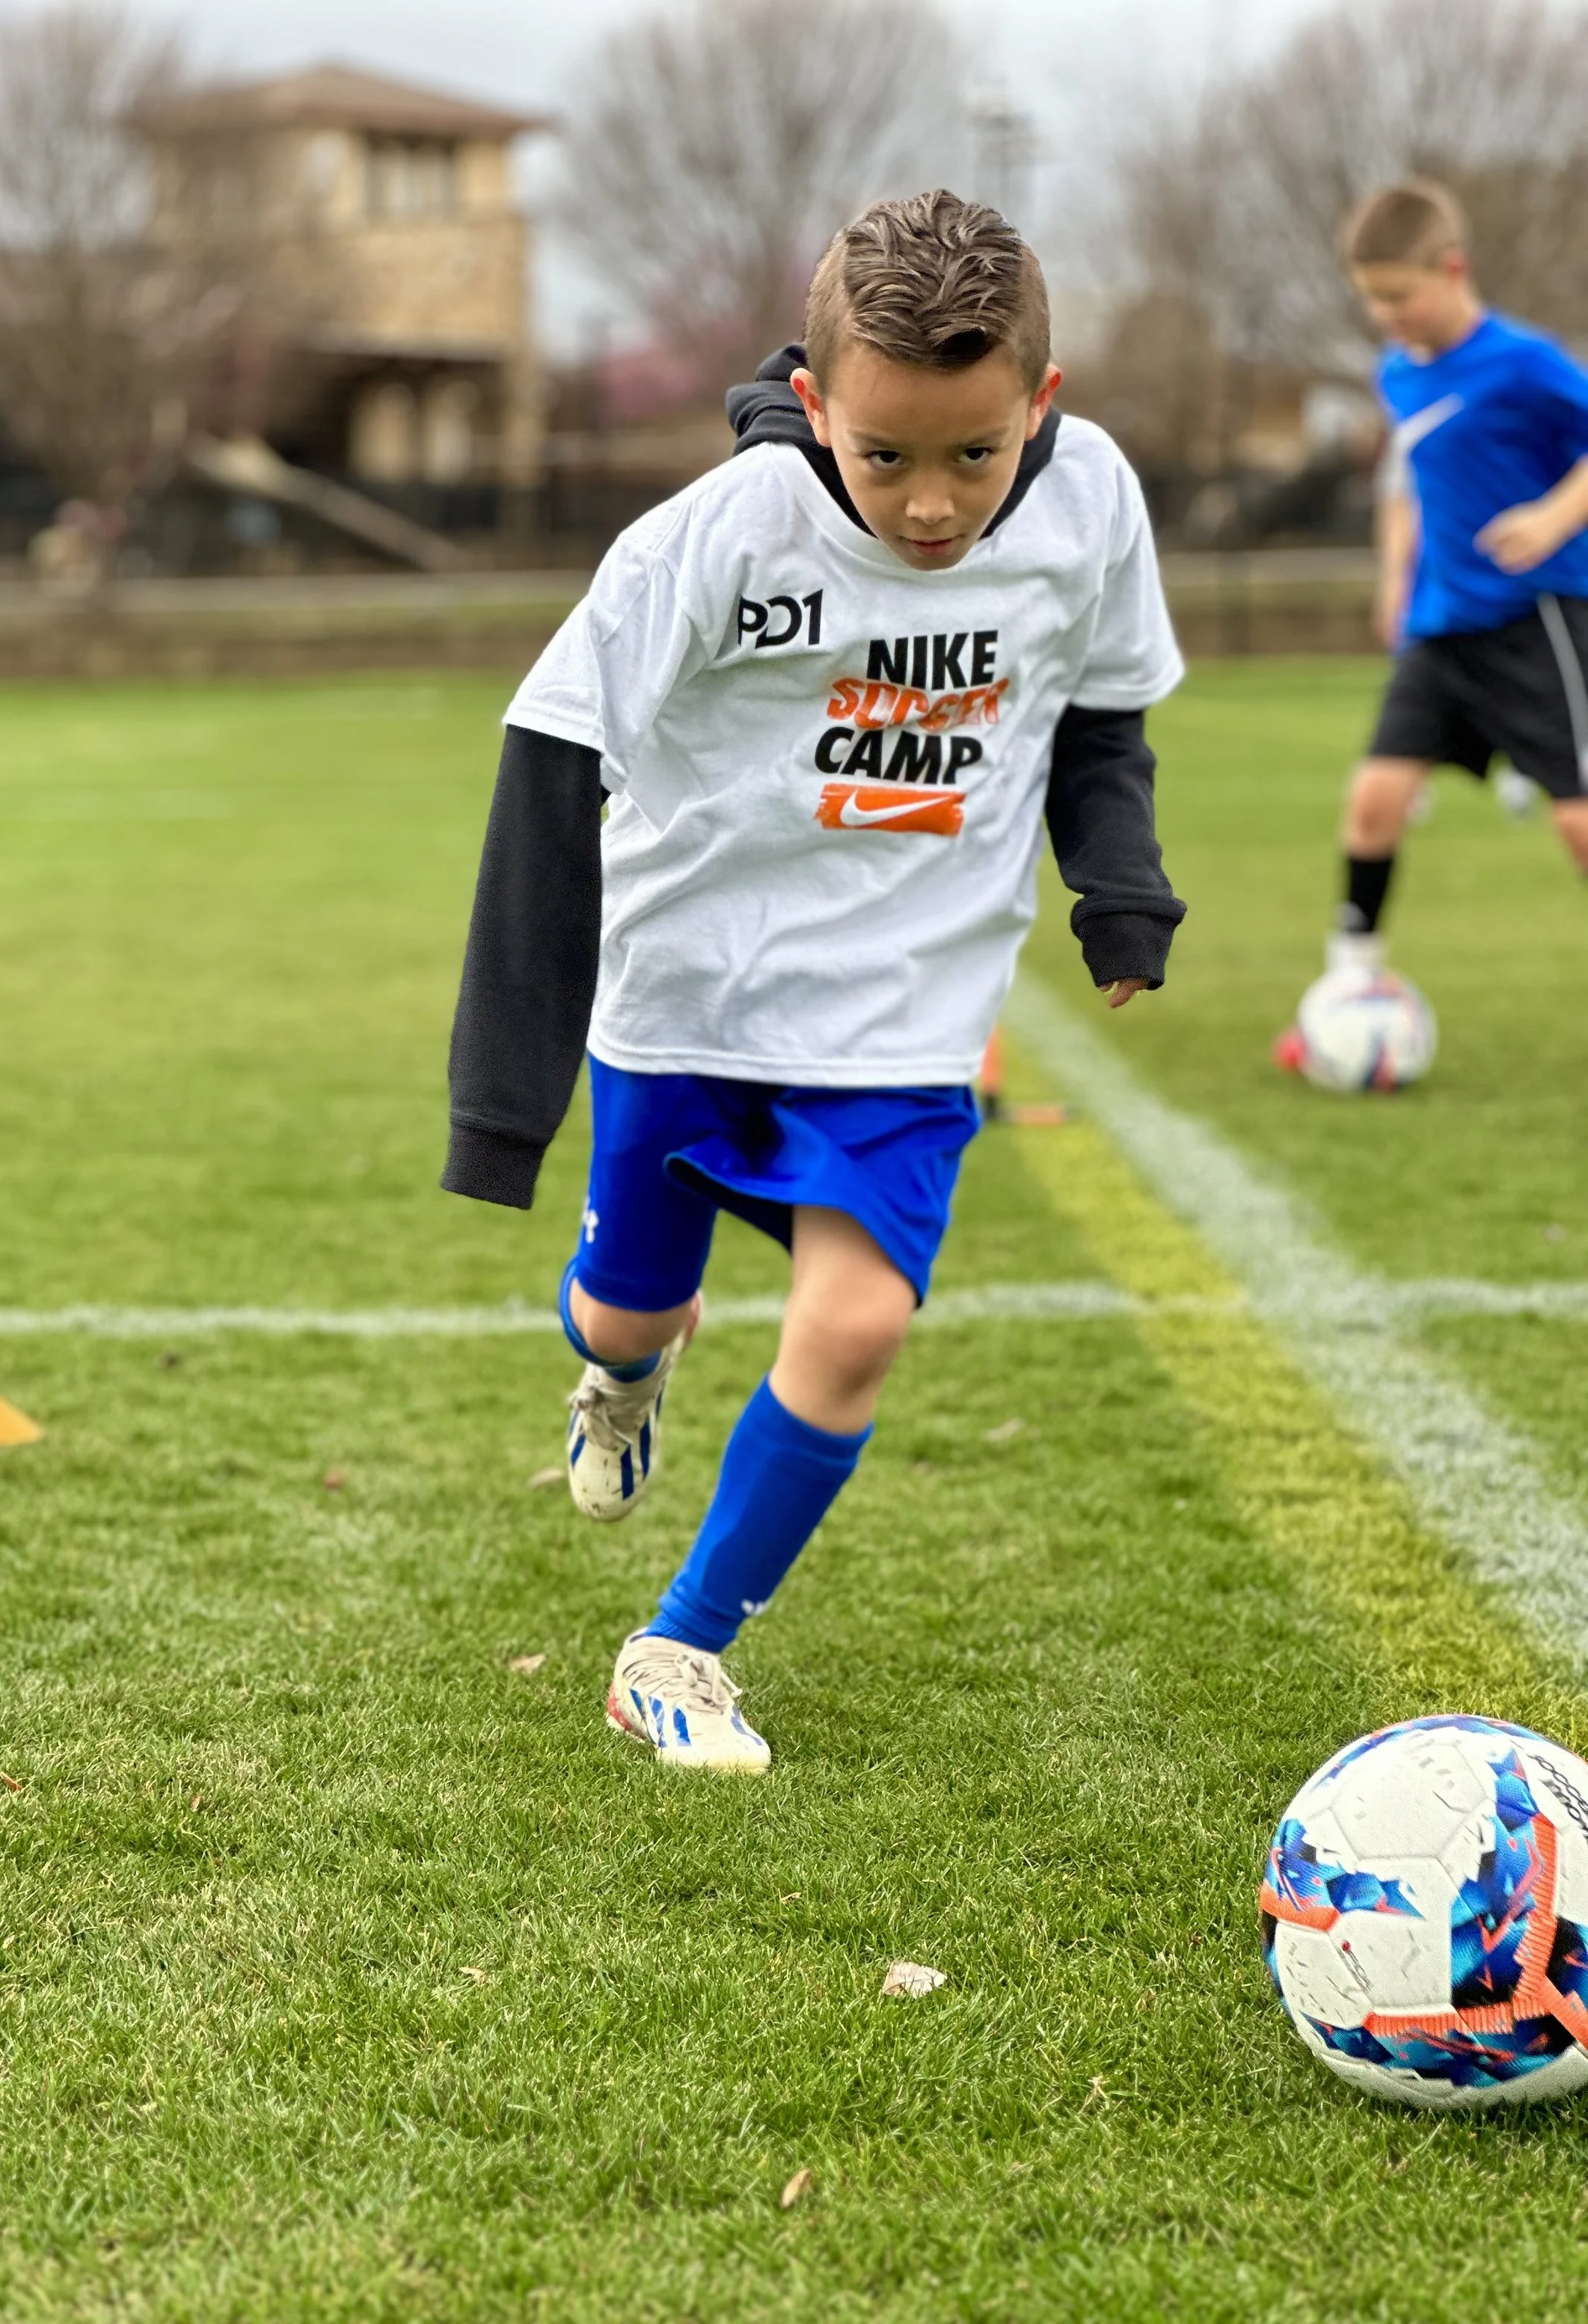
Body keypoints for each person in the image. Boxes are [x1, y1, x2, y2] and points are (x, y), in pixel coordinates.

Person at [441, 191, 1185, 1773]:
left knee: (851, 1326)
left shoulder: (1091, 503)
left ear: (1035, 407)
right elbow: (543, 758)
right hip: (688, 988)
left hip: (903, 1011)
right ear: (815, 406)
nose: (930, 506)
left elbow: (1100, 715)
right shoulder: (712, 537)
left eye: (972, 456)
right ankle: (623, 1376)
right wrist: (504, 1107)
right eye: (885, 456)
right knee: (623, 1301)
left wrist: (1116, 888)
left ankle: (678, 1648)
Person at [1283, 178, 1588, 1034]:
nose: (1386, 315)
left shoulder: (1523, 363)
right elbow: (1405, 482)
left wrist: (1552, 516)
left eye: (1398, 296)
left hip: (1539, 619)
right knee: (1374, 802)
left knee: (1578, 830)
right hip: (1439, 628)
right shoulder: (1394, 373)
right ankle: (1349, 987)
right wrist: (1393, 580)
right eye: (1371, 300)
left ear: (1451, 268)